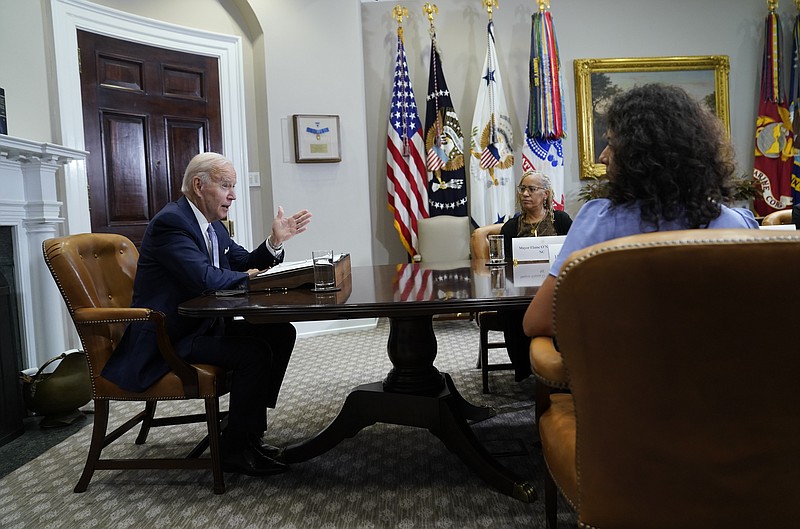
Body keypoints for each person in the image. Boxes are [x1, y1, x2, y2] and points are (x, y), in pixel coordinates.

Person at [102, 152, 312, 477]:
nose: (233, 195)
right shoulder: (171, 223)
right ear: (199, 185)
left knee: (280, 332)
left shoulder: (213, 227)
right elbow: (205, 279)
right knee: (253, 353)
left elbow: (242, 262)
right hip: (171, 338)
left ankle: (248, 433)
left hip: (202, 327)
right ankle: (235, 449)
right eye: (226, 185)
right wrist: (253, 280)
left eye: (233, 186)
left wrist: (274, 242)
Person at [523, 83, 759, 339]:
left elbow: (538, 321)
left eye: (612, 144)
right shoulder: (736, 225)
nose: (603, 156)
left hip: (623, 376)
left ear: (640, 154)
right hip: (719, 375)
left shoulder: (599, 221)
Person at [499, 171, 572, 381]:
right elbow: (505, 267)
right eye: (522, 189)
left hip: (554, 289)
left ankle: (559, 366)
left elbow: (574, 253)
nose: (525, 194)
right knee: (510, 309)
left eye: (532, 189)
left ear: (546, 194)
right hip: (520, 291)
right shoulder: (511, 227)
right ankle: (524, 369)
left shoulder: (561, 220)